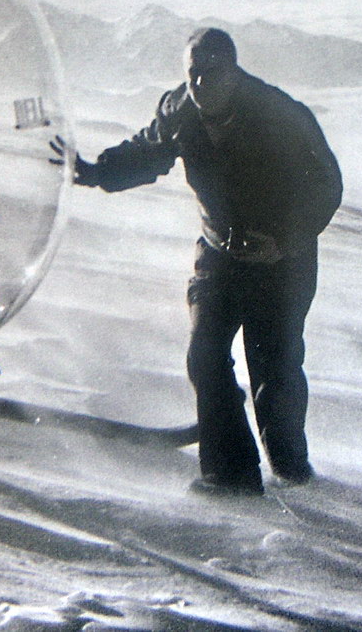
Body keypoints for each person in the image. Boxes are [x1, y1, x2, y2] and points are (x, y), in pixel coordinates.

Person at [51, 27, 342, 495]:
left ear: (234, 71)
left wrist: (285, 241)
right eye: (193, 75)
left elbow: (326, 183)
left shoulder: (279, 114)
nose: (202, 85)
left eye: (212, 74)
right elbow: (148, 152)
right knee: (205, 355)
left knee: (274, 369)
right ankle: (232, 477)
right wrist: (94, 171)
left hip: (281, 264)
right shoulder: (181, 110)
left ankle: (292, 470)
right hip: (219, 256)